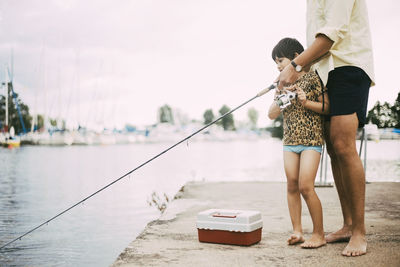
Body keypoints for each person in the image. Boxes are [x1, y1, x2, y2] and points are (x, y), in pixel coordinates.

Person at [277, 0, 374, 257]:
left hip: (349, 66)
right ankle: (348, 224)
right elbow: (317, 46)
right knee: (332, 147)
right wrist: (300, 70)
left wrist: (295, 65)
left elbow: (331, 34)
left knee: (343, 144)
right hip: (325, 71)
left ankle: (359, 232)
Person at [268, 37, 330, 249]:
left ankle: (319, 234)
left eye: (280, 60)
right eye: (275, 62)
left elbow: (327, 108)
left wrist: (305, 101)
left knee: (305, 185)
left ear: (296, 57)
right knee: (292, 185)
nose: (277, 66)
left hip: (311, 140)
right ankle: (297, 231)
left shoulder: (313, 78)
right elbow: (271, 115)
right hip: (290, 142)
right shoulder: (283, 84)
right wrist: (279, 96)